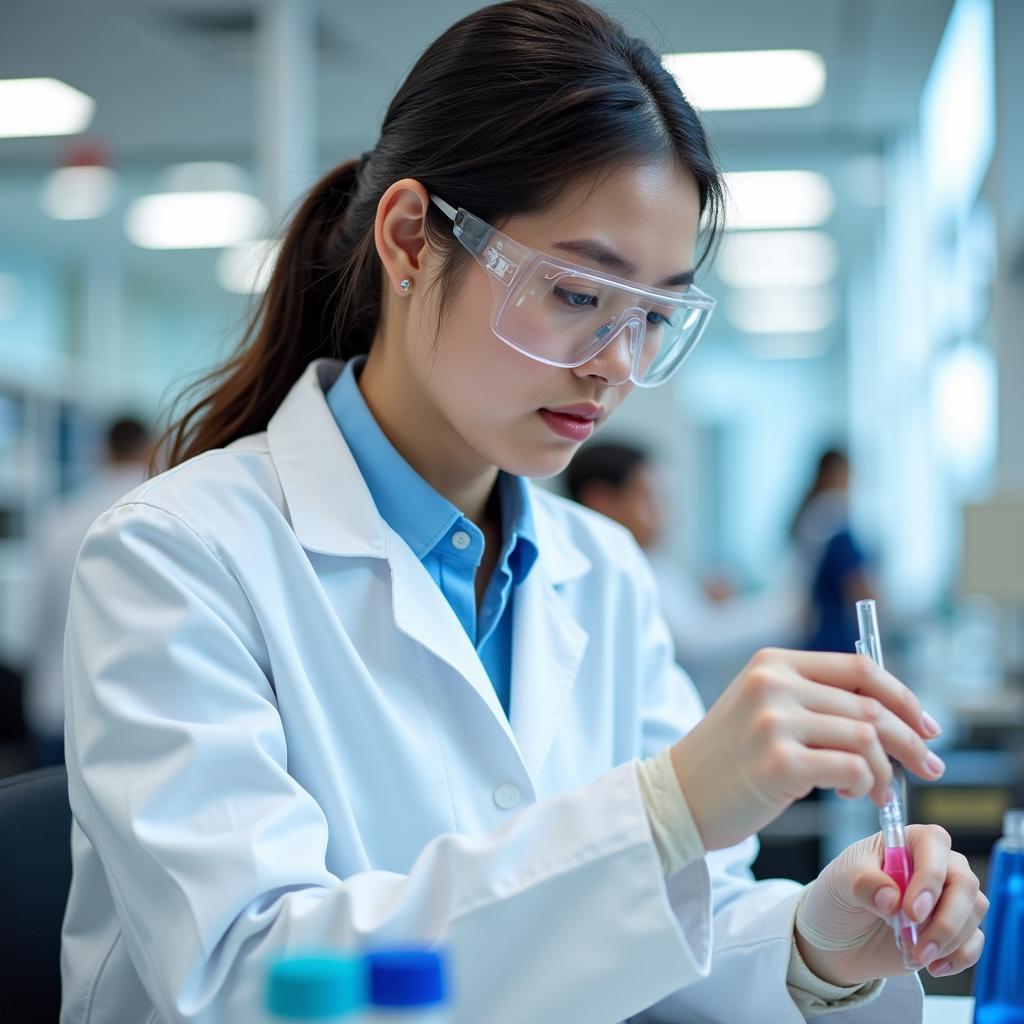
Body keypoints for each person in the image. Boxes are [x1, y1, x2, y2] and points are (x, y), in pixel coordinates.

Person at [61, 4, 985, 1022]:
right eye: (577, 291)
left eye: (652, 315)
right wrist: (668, 807)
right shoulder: (175, 557)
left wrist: (814, 944)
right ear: (412, 239)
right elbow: (249, 978)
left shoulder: (603, 567)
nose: (614, 365)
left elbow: (672, 926)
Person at [565, 440, 803, 704]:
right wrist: (790, 611)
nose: (664, 514)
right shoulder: (606, 573)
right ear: (601, 501)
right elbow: (698, 640)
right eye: (649, 499)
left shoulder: (651, 562)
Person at [24, 415, 150, 767]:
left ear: (103, 451)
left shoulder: (61, 517)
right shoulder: (169, 519)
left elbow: (34, 625)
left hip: (59, 704)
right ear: (150, 448)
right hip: (135, 715)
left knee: (46, 817)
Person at [791, 447, 875, 654]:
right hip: (833, 630)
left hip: (811, 627)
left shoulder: (808, 514)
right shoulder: (833, 516)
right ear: (837, 473)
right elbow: (856, 583)